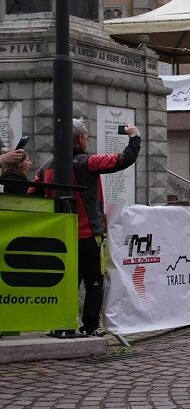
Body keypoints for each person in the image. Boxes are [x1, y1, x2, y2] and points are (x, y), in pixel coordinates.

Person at [30, 119, 141, 337]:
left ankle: (61, 324)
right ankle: (88, 327)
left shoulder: (45, 168)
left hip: (60, 236)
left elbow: (32, 196)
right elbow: (125, 159)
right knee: (93, 282)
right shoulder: (87, 162)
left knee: (67, 281)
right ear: (80, 139)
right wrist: (135, 136)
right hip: (88, 234)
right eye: (87, 136)